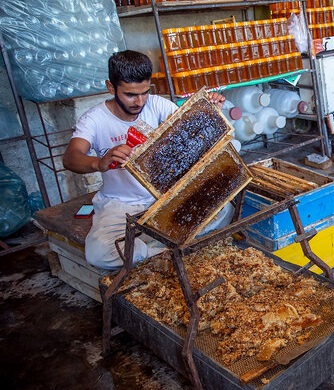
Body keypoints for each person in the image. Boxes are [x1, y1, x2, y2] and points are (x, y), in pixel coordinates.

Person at [63, 50, 231, 269]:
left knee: (224, 209)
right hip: (121, 204)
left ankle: (151, 247)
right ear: (111, 88)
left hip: (166, 196)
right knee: (98, 253)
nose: (139, 101)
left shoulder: (157, 105)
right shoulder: (94, 119)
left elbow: (189, 131)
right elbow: (70, 158)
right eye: (130, 95)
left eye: (144, 92)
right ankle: (164, 252)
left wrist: (209, 111)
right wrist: (99, 163)